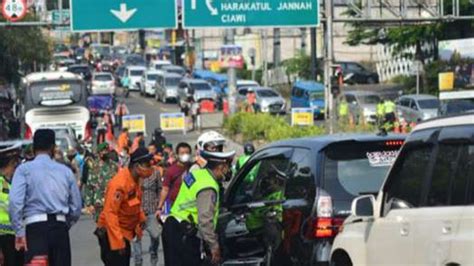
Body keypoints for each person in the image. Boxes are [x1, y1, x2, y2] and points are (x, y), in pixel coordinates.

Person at [9, 129, 82, 266]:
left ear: (34, 147)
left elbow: (15, 202)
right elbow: (76, 207)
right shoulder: (65, 171)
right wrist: (65, 224)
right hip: (59, 229)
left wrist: (19, 231)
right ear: (53, 148)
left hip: (35, 231)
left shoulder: (23, 170)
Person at [162, 148, 235, 266]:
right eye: (228, 166)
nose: (229, 170)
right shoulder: (208, 186)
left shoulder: (198, 174)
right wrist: (214, 246)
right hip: (184, 233)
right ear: (221, 167)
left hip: (173, 225)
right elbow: (205, 220)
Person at [95, 147, 153, 266]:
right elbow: (110, 213)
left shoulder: (136, 180)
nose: (150, 168)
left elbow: (134, 202)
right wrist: (118, 242)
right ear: (137, 166)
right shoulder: (120, 184)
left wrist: (141, 218)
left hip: (125, 232)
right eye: (147, 164)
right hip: (112, 233)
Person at [131, 153, 162, 266]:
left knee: (155, 236)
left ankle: (153, 256)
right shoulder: (136, 174)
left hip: (151, 211)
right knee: (136, 239)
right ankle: (138, 262)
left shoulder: (156, 173)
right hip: (138, 211)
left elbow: (160, 189)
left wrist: (159, 205)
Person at [0, 142, 24, 266]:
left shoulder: (11, 183)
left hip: (15, 237)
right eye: (16, 163)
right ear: (11, 163)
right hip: (3, 240)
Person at [84, 142, 118, 221]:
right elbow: (89, 185)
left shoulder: (114, 166)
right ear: (99, 152)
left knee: (112, 228)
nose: (105, 152)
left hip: (112, 203)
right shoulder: (93, 166)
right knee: (101, 229)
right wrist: (89, 204)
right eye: (103, 151)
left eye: (106, 150)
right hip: (98, 203)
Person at [157, 142, 192, 216]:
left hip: (190, 205)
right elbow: (165, 189)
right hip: (174, 205)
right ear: (177, 155)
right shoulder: (171, 170)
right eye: (182, 153)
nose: (185, 155)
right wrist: (159, 207)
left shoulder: (194, 168)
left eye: (187, 153)